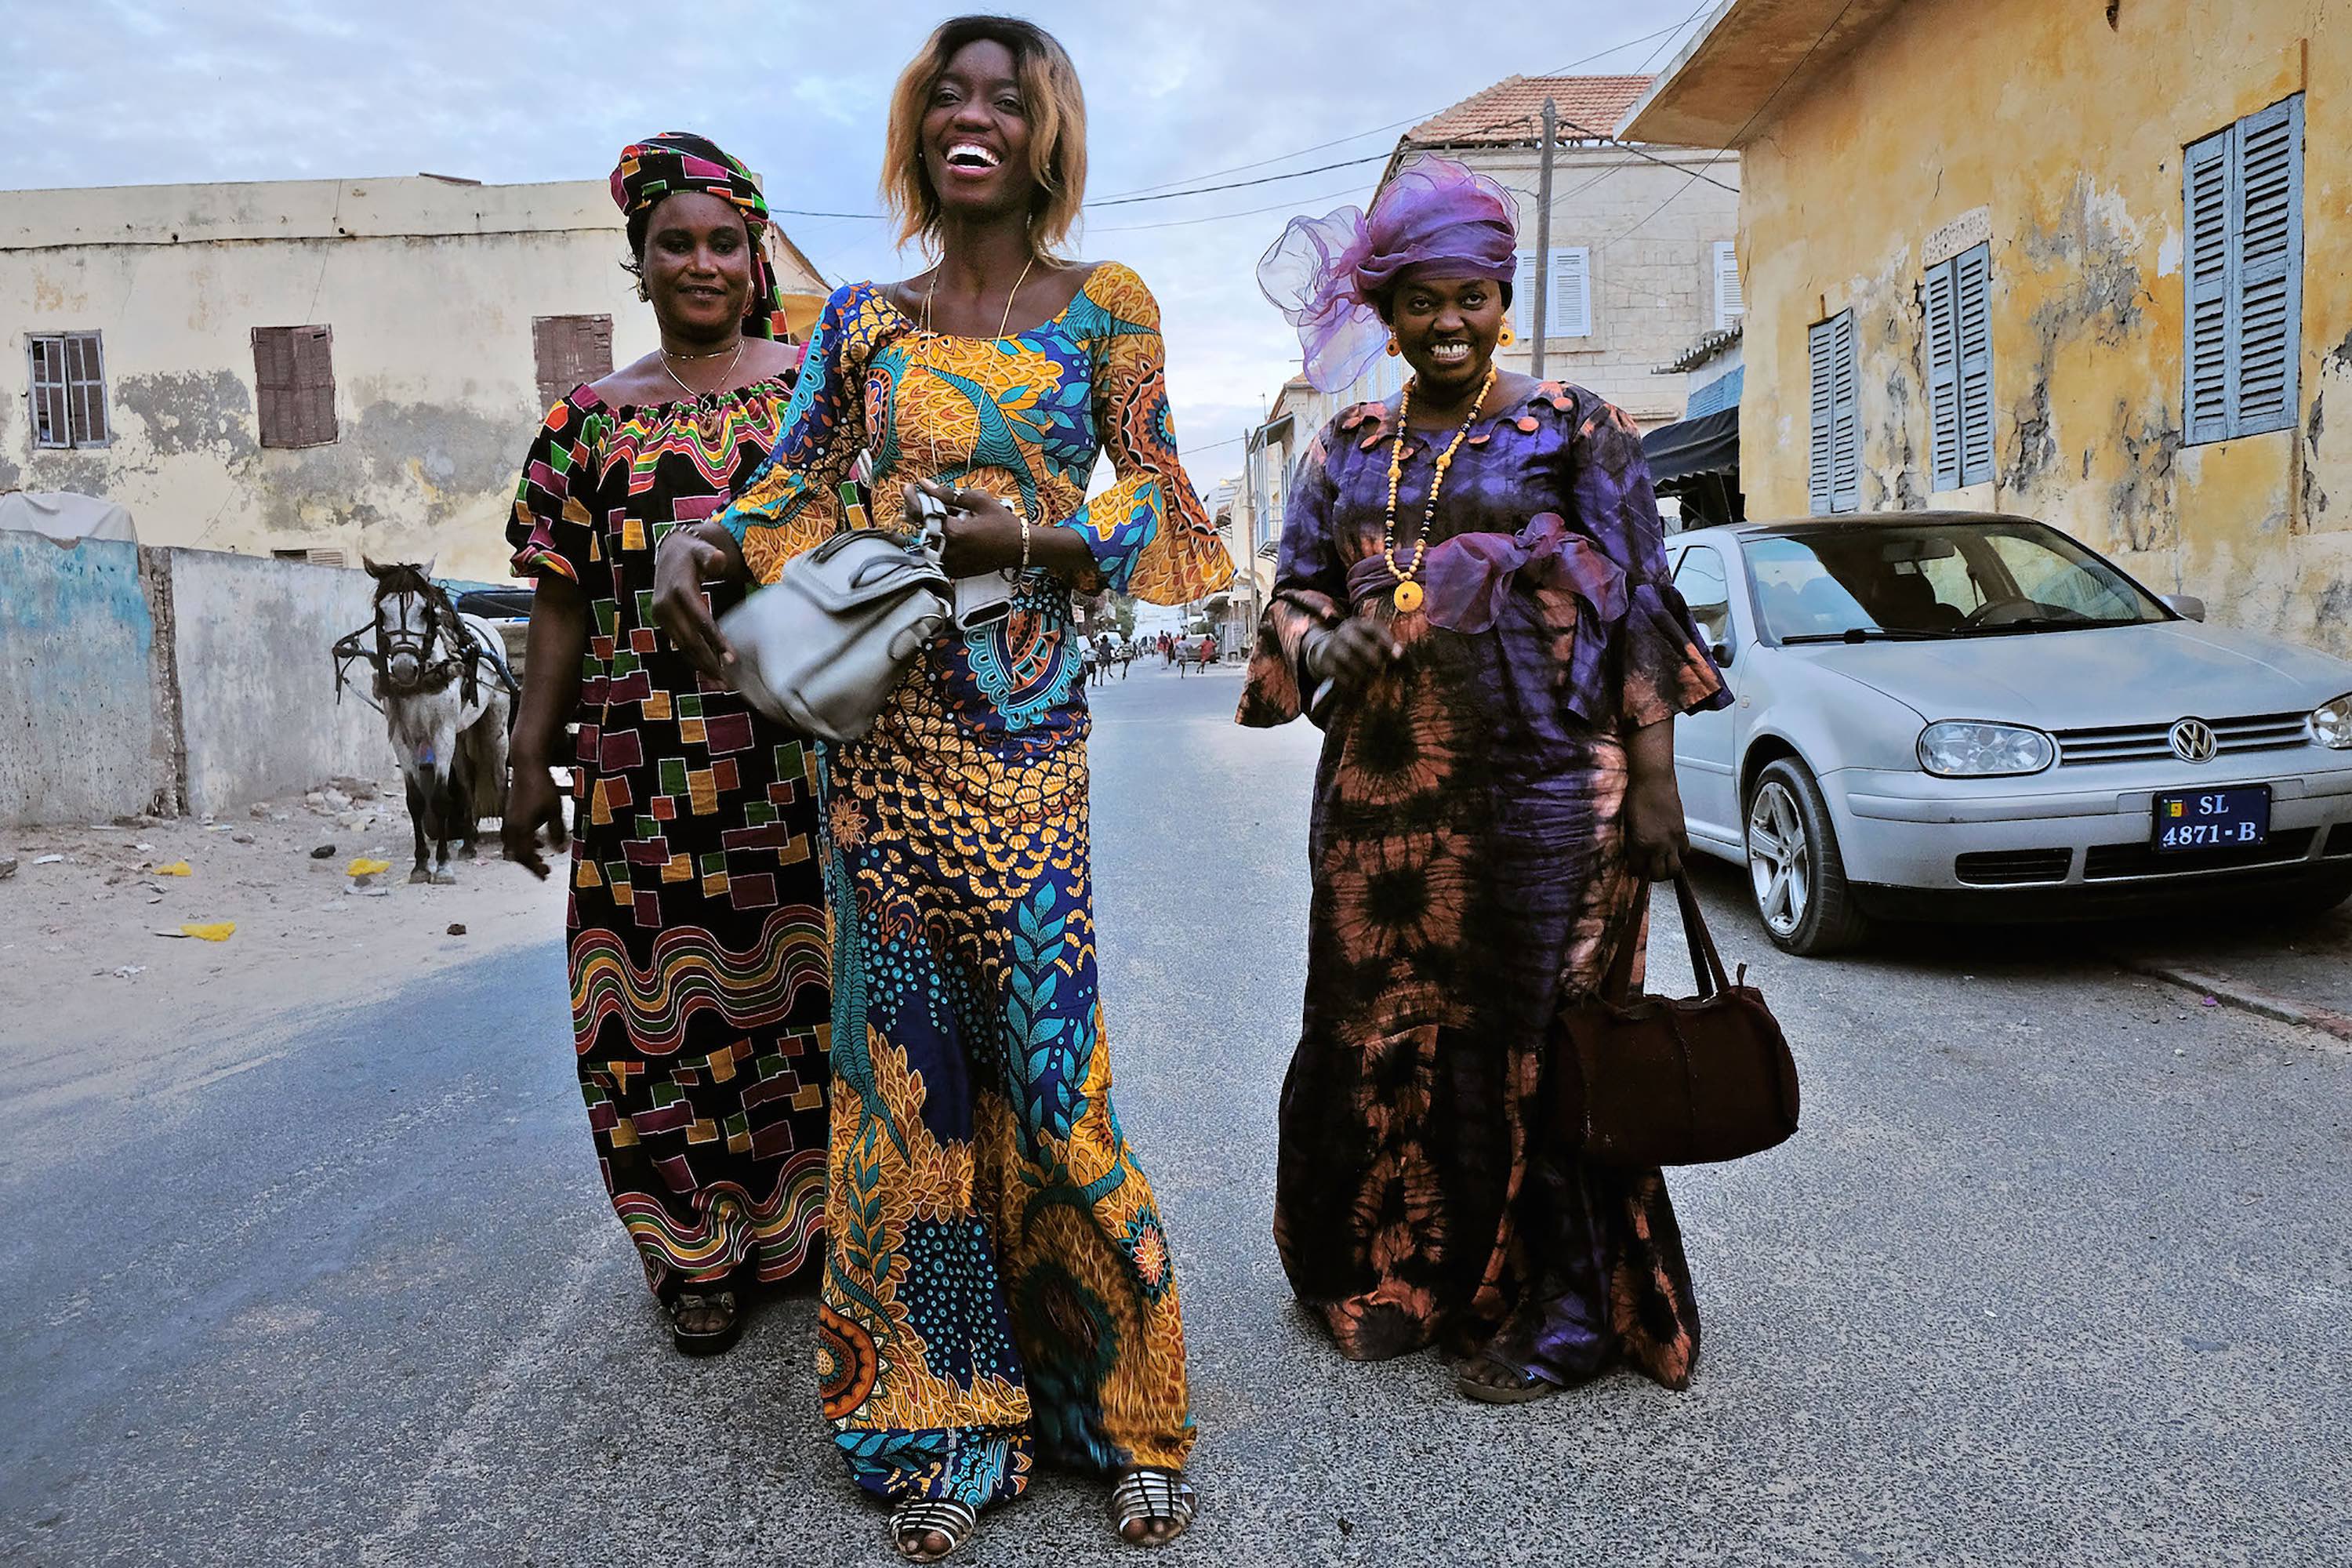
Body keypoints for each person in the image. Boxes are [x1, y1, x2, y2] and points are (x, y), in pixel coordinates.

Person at [650, 17, 1232, 1560]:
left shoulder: (1104, 310)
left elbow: (1164, 511)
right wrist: (694, 548)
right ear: (918, 132)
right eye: (948, 96)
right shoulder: (858, 320)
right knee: (907, 1097)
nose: (975, 115)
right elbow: (783, 497)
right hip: (878, 760)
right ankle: (938, 1421)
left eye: (1008, 96)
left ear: (1049, 136)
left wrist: (1034, 545)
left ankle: (1124, 1415)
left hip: (1027, 743)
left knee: (1053, 1087)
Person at [1240, 157, 1730, 1405]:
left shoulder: (1577, 426)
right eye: (1420, 302)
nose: (1448, 323)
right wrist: (1316, 640)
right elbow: (1291, 592)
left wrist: (1660, 781)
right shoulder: (1344, 448)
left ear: (1504, 294)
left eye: (1472, 296)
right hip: (1386, 798)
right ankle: (1408, 1274)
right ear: (1386, 313)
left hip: (1558, 790)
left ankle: (1568, 1308)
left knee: (1544, 1032)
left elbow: (1639, 605)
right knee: (1381, 1022)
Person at [500, 132, 827, 1356]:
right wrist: (531, 761)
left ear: (754, 259)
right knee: (655, 1013)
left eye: (723, 242)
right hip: (644, 772)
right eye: (673, 243)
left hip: (798, 761)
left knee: (809, 994)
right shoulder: (587, 424)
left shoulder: (814, 397)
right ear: (637, 264)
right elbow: (562, 602)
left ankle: (815, 1226)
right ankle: (693, 1248)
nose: (700, 262)